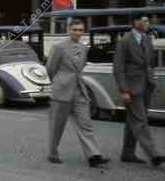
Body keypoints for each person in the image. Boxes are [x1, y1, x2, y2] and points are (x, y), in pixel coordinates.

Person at [45, 20, 110, 167]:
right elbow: (50, 68)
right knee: (57, 125)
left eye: (80, 30)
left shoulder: (83, 48)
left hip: (79, 90)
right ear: (69, 30)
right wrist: (58, 83)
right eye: (75, 29)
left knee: (85, 124)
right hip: (61, 91)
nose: (78, 33)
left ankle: (94, 156)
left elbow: (79, 69)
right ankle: (53, 153)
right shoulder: (58, 47)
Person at [113, 15, 165, 167]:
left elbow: (150, 63)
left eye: (149, 21)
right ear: (136, 22)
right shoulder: (124, 41)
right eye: (145, 20)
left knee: (133, 121)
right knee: (141, 121)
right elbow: (118, 68)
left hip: (146, 85)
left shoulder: (147, 39)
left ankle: (127, 153)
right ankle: (154, 155)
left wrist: (152, 79)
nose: (148, 23)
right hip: (132, 88)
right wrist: (124, 90)